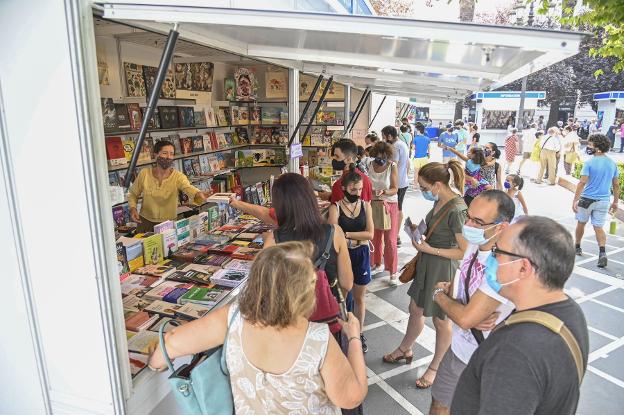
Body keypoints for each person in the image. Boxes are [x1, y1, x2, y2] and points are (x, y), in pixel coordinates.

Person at [148, 241, 368, 413]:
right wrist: (354, 338)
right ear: (299, 293)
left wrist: (156, 362)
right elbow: (351, 396)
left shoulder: (233, 318)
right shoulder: (317, 339)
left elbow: (171, 343)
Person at [451, 216, 589, 415]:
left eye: (496, 252)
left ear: (523, 268)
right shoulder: (569, 312)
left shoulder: (515, 352)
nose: (490, 258)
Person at [383, 161, 468, 390]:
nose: (422, 190)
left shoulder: (457, 210)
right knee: (415, 309)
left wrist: (430, 249)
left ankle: (436, 366)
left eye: (423, 186)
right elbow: (433, 229)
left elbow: (464, 250)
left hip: (443, 268)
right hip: (427, 263)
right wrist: (416, 231)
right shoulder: (441, 200)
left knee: (441, 320)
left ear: (438, 185)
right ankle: (405, 348)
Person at [429, 190, 516, 415]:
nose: (467, 224)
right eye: (468, 216)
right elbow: (465, 305)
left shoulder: (502, 267)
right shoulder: (474, 246)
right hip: (459, 350)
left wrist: (438, 294)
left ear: (501, 227)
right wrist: (455, 294)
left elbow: (466, 319)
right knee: (439, 404)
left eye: (477, 221)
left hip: (486, 361)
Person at [329, 168, 374, 353]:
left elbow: (370, 234)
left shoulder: (366, 206)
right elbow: (333, 233)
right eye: (353, 189)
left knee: (359, 298)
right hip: (342, 257)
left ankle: (359, 333)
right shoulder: (335, 207)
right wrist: (357, 237)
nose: (357, 193)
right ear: (344, 188)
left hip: (361, 254)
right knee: (343, 297)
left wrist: (345, 235)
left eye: (360, 189)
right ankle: (344, 332)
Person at [127, 140, 211, 232]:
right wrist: (133, 208)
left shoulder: (178, 176)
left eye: (171, 154)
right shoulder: (144, 174)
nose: (168, 157)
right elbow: (133, 194)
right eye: (164, 153)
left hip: (168, 225)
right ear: (155, 155)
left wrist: (198, 193)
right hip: (145, 223)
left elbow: (188, 187)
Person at [573, 134, 620, 268]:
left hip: (586, 200)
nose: (588, 147)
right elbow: (616, 185)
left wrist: (575, 199)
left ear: (598, 149)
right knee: (598, 227)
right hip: (604, 200)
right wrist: (615, 202)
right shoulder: (612, 164)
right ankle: (602, 253)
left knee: (581, 223)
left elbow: (582, 182)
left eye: (590, 145)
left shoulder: (589, 163)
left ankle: (577, 246)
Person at [367, 141, 400, 284]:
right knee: (374, 237)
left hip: (389, 204)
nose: (381, 159)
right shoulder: (369, 165)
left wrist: (384, 191)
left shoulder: (392, 166)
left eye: (384, 157)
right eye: (378, 156)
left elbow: (395, 188)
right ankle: (375, 263)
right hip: (373, 204)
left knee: (390, 240)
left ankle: (393, 272)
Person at [320, 139, 373, 204]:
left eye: (337, 156)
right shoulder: (366, 179)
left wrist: (329, 197)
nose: (334, 159)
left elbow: (339, 208)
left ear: (349, 159)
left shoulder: (340, 184)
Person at [382, 125, 410, 247]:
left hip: (397, 183)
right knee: (399, 208)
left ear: (389, 136)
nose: (383, 140)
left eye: (384, 137)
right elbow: (407, 164)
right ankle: (396, 235)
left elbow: (393, 164)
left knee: (397, 209)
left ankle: (395, 235)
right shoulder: (402, 144)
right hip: (403, 181)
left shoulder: (396, 146)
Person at [413, 123, 432, 188]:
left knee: (416, 172)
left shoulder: (415, 138)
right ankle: (423, 184)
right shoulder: (427, 138)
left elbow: (413, 148)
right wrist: (429, 154)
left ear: (418, 130)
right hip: (425, 158)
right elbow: (429, 148)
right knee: (423, 172)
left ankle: (415, 185)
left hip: (417, 158)